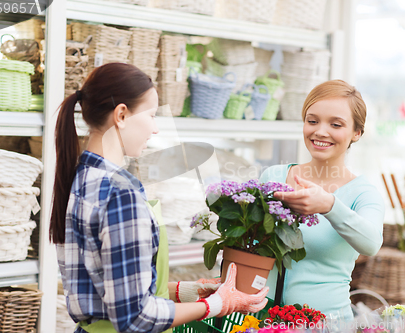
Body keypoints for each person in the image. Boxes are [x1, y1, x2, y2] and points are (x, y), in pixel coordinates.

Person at [50, 63, 269, 333]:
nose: (154, 129)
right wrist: (217, 304)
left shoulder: (82, 177)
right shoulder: (120, 194)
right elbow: (135, 317)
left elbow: (110, 288)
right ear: (121, 115)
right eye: (151, 115)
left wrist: (186, 291)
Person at [259, 79, 385, 320]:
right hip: (263, 318)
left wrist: (329, 205)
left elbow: (371, 243)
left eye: (336, 124)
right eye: (312, 121)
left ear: (356, 133)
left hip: (325, 323)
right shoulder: (274, 176)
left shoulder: (363, 193)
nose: (320, 131)